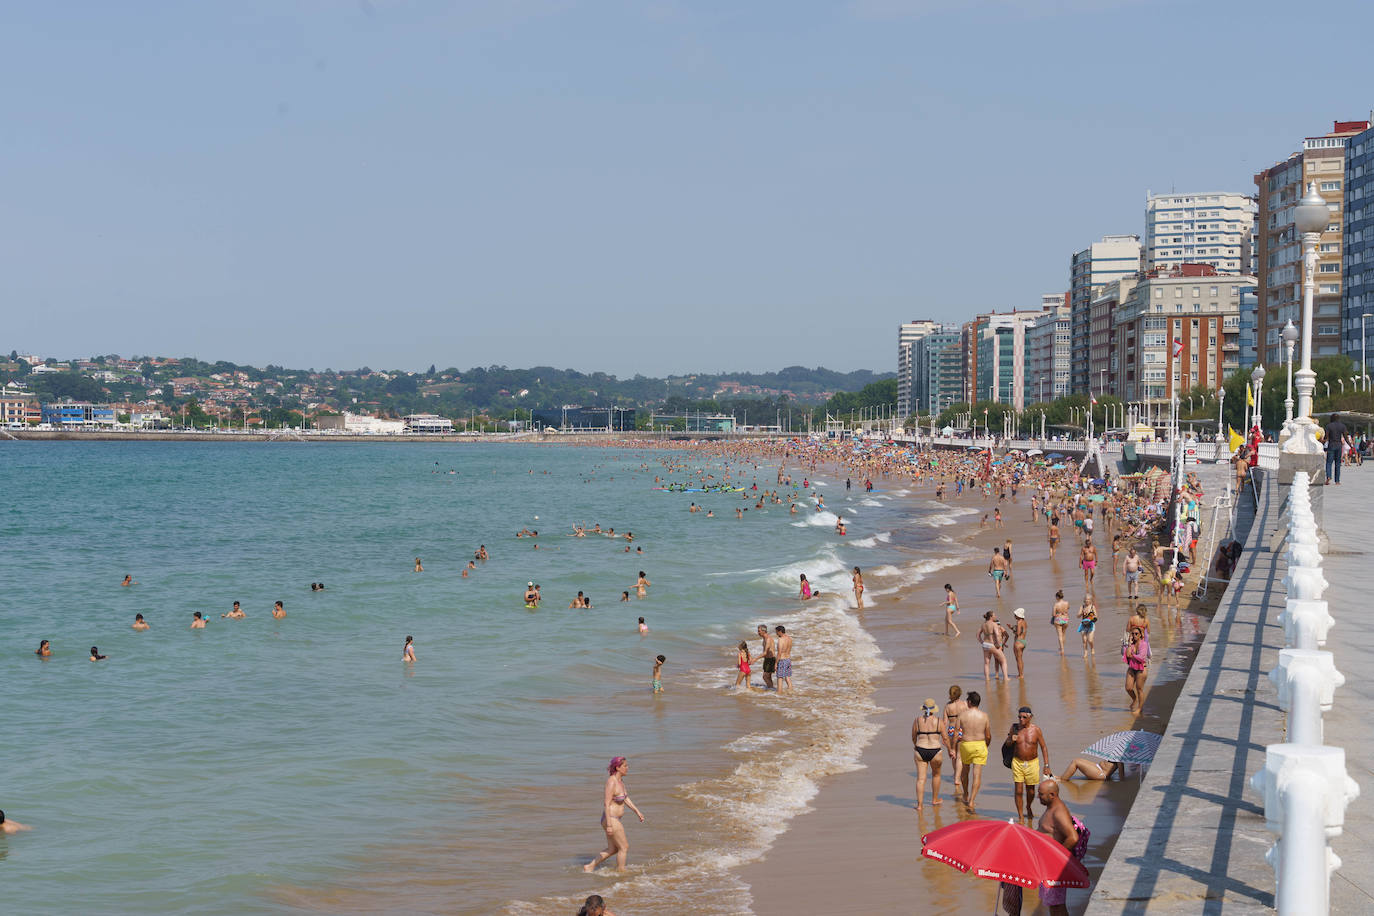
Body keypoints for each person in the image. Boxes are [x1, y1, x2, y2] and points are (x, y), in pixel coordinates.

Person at [1036, 779, 1089, 915]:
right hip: (1049, 864)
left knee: (1056, 906)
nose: (1038, 797)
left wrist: (1056, 857)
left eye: (1041, 794)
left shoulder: (1059, 812)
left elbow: (1073, 837)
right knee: (1055, 904)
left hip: (1054, 866)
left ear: (1052, 795)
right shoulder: (1051, 807)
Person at [584, 757, 644, 873]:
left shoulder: (621, 782)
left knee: (613, 849)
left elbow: (625, 798)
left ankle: (590, 866)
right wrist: (610, 825)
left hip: (613, 819)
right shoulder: (611, 782)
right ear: (618, 767)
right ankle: (621, 872)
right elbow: (606, 804)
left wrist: (637, 812)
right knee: (624, 847)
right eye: (625, 766)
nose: (628, 768)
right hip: (610, 819)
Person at [1006, 706, 1050, 819]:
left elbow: (1043, 747)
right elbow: (1007, 744)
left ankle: (1028, 806)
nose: (1021, 719)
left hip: (1032, 763)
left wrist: (1046, 765)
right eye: (1019, 717)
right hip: (1017, 762)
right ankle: (1020, 816)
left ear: (1030, 717)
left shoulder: (1036, 730)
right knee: (1018, 791)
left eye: (1024, 717)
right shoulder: (1014, 728)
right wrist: (1011, 740)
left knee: (1031, 791)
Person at [956, 691, 991, 809]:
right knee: (977, 775)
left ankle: (965, 795)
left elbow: (956, 733)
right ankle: (972, 800)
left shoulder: (962, 715)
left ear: (970, 702)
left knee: (965, 772)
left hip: (966, 744)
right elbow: (988, 735)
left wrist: (952, 747)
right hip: (980, 744)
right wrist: (987, 745)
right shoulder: (984, 716)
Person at [912, 698, 946, 810]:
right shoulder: (939, 721)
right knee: (936, 775)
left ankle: (920, 805)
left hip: (920, 749)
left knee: (921, 779)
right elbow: (945, 738)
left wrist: (915, 745)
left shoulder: (917, 720)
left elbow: (914, 736)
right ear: (934, 709)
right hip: (935, 750)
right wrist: (951, 749)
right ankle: (935, 799)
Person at [943, 685, 968, 793]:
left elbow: (944, 722)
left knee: (953, 755)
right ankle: (957, 778)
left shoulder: (948, 706)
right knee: (959, 756)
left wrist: (943, 736)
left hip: (952, 730)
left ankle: (955, 774)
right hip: (962, 729)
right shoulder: (964, 704)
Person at [1124, 625, 1149, 713]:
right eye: (1133, 634)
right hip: (1132, 668)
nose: (1134, 635)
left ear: (1140, 635)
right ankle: (1134, 700)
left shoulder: (1144, 644)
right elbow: (1127, 654)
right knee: (1128, 688)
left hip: (1141, 669)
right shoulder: (1131, 644)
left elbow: (1142, 657)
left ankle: (1139, 709)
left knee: (1139, 689)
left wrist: (1133, 655)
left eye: (1136, 634)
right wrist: (1130, 644)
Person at [978, 612, 1008, 681]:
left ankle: (987, 679)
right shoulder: (994, 624)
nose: (995, 616)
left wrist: (982, 642)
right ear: (991, 617)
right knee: (1003, 660)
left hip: (985, 645)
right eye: (994, 615)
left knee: (986, 663)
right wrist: (998, 644)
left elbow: (977, 635)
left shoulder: (983, 624)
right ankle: (1006, 678)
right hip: (992, 644)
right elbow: (997, 634)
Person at [1325, 413, 1348, 485]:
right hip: (1339, 445)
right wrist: (1350, 445)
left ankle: (1328, 476)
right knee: (1338, 463)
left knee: (1329, 462)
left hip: (1331, 444)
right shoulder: (1342, 426)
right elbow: (1345, 437)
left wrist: (1322, 442)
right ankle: (1337, 481)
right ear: (1338, 419)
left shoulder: (1329, 426)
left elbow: (1326, 437)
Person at [1051, 589, 1070, 655]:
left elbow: (1053, 614)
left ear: (1057, 597)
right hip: (1065, 619)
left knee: (1060, 635)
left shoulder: (1056, 604)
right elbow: (1068, 608)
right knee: (1063, 634)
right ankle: (1062, 647)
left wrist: (1057, 613)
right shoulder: (1067, 603)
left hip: (1058, 619)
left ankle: (1062, 649)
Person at [774, 625, 793, 693]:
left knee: (780, 677)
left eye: (776, 632)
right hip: (788, 659)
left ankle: (779, 693)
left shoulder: (780, 640)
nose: (776, 634)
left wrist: (776, 663)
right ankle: (791, 691)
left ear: (780, 631)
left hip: (782, 660)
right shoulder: (789, 638)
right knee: (787, 676)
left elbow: (779, 653)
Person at [1011, 607, 1028, 678]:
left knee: (1018, 659)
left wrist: (1012, 630)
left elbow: (1017, 633)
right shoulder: (1024, 622)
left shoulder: (1019, 622)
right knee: (1020, 659)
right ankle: (1021, 674)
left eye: (1015, 615)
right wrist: (1012, 627)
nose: (1014, 616)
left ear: (1018, 615)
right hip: (1023, 641)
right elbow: (1022, 631)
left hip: (1018, 642)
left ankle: (1020, 675)